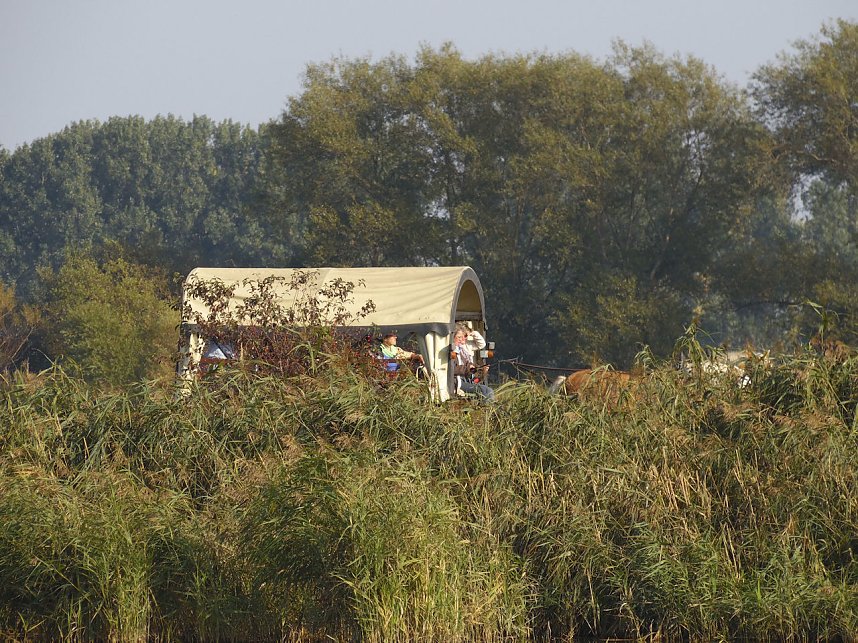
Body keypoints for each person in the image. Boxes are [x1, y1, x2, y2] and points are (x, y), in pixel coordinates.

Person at [451, 323, 494, 402]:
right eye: (459, 337)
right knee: (486, 391)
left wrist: (481, 371)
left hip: (465, 380)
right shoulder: (451, 351)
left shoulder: (461, 351)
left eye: (463, 336)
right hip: (456, 382)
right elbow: (451, 368)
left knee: (486, 390)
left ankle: (486, 409)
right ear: (452, 337)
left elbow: (474, 378)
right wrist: (468, 368)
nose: (462, 339)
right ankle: (487, 410)